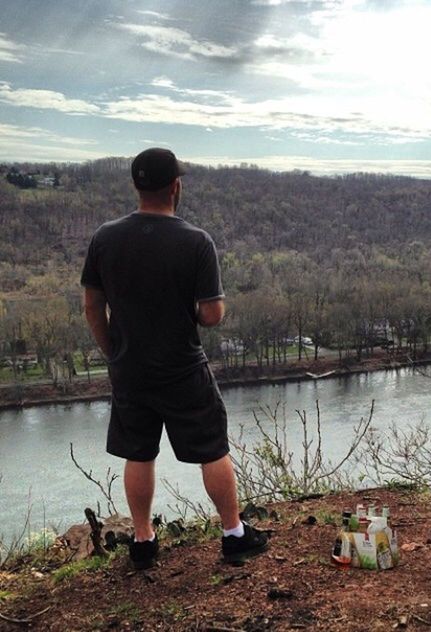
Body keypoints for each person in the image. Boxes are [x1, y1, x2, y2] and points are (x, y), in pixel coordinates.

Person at [81, 148, 269, 568]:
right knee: (211, 449)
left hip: (129, 369)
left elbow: (92, 306)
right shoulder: (196, 241)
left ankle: (144, 541)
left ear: (136, 186)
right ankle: (234, 535)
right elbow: (212, 315)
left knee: (139, 451)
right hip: (182, 367)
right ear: (176, 187)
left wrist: (113, 351)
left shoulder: (104, 238)